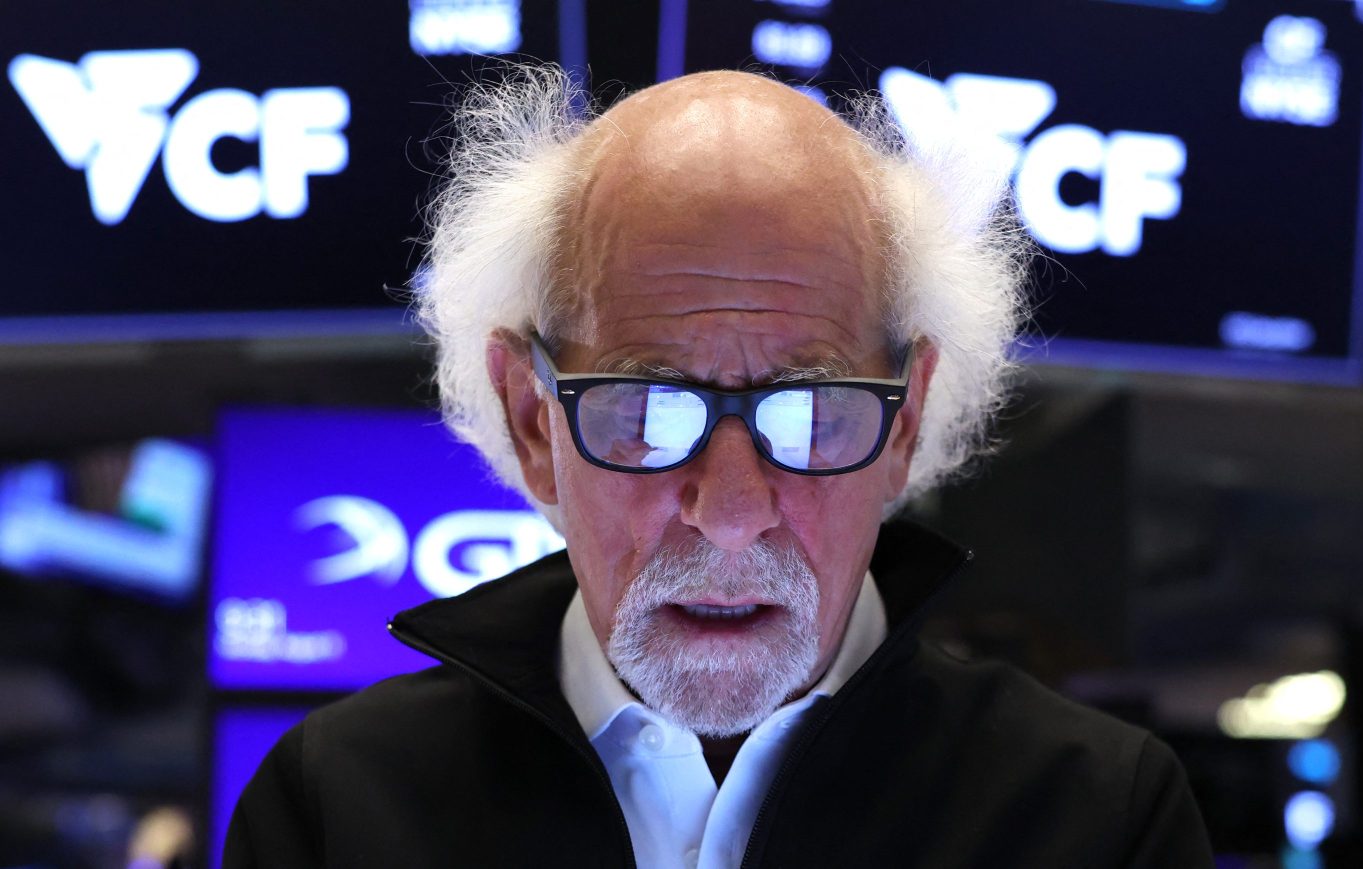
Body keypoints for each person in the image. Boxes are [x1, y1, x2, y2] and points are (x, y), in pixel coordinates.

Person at [223, 65, 1213, 868]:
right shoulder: (337, 806)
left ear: (906, 418)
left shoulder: (1096, 819)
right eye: (649, 408)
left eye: (813, 410)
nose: (732, 512)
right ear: (534, 419)